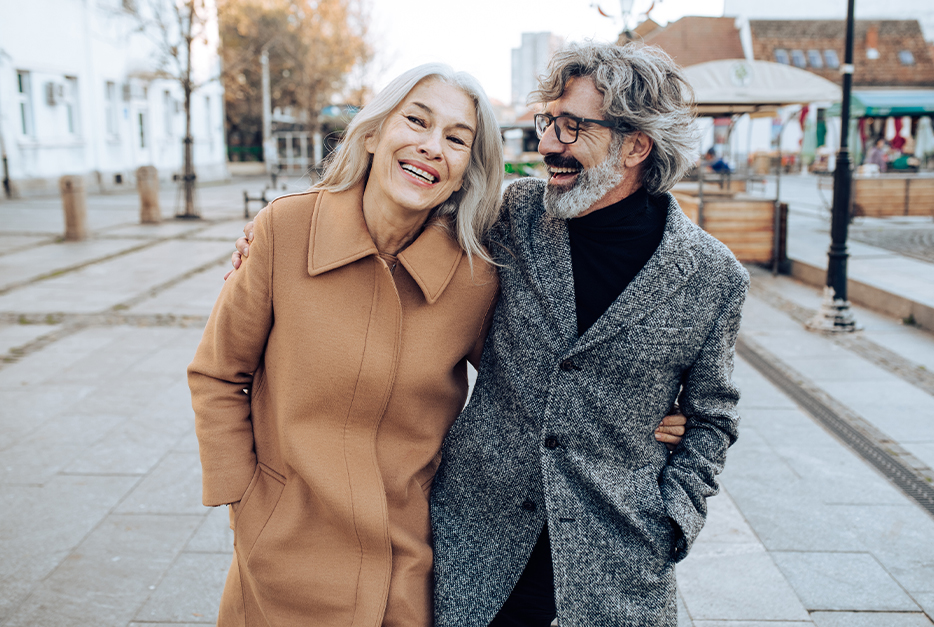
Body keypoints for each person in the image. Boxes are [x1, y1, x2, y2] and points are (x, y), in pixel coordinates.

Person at [200, 61, 687, 627]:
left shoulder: (476, 275)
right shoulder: (285, 231)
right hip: (282, 545)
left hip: (406, 558)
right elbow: (218, 373)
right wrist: (242, 496)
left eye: (457, 139)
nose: (433, 147)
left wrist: (638, 411)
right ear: (376, 131)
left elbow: (540, 377)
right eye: (416, 121)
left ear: (465, 173)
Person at [428, 42, 748, 627]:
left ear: (635, 145)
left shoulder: (712, 276)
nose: (548, 142)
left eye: (573, 127)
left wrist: (673, 518)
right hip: (479, 534)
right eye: (548, 122)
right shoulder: (511, 215)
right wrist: (286, 227)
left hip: (618, 557)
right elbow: (401, 215)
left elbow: (712, 419)